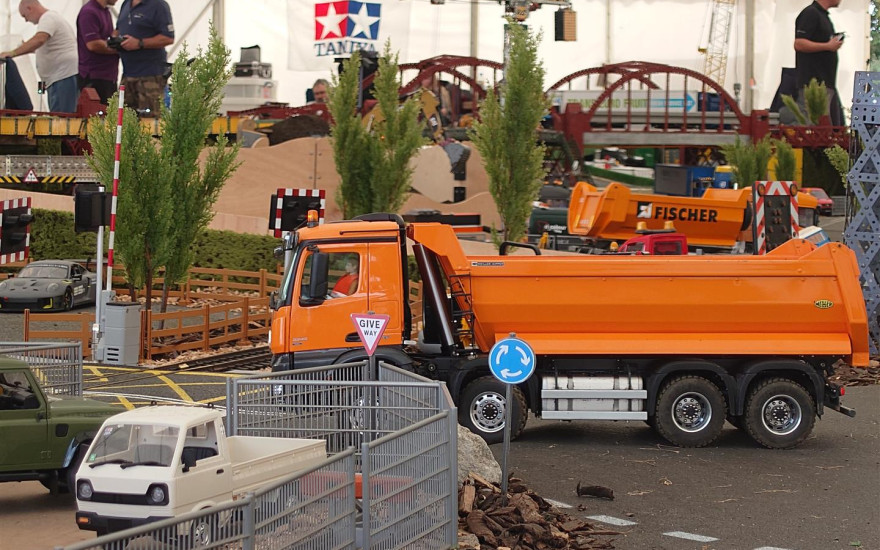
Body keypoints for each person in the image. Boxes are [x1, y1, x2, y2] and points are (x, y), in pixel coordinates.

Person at [0, 0, 79, 113]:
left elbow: (39, 40)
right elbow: (39, 46)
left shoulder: (48, 18)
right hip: (57, 77)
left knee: (61, 116)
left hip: (62, 76)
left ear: (29, 8)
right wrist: (25, 47)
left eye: (24, 16)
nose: (26, 20)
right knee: (58, 114)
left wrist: (12, 53)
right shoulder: (51, 19)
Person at [116, 0, 174, 115]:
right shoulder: (126, 4)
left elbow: (168, 38)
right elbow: (118, 30)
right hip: (127, 75)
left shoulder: (158, 5)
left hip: (150, 76)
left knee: (150, 119)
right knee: (123, 119)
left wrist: (139, 43)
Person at [794, 0, 844, 125]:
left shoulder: (823, 16)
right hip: (813, 83)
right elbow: (799, 43)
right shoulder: (811, 13)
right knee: (813, 124)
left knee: (827, 124)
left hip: (825, 83)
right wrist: (828, 46)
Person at [77, 0, 119, 105]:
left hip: (108, 75)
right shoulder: (89, 12)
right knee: (96, 112)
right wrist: (121, 47)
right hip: (95, 77)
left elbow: (107, 38)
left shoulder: (105, 11)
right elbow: (93, 44)